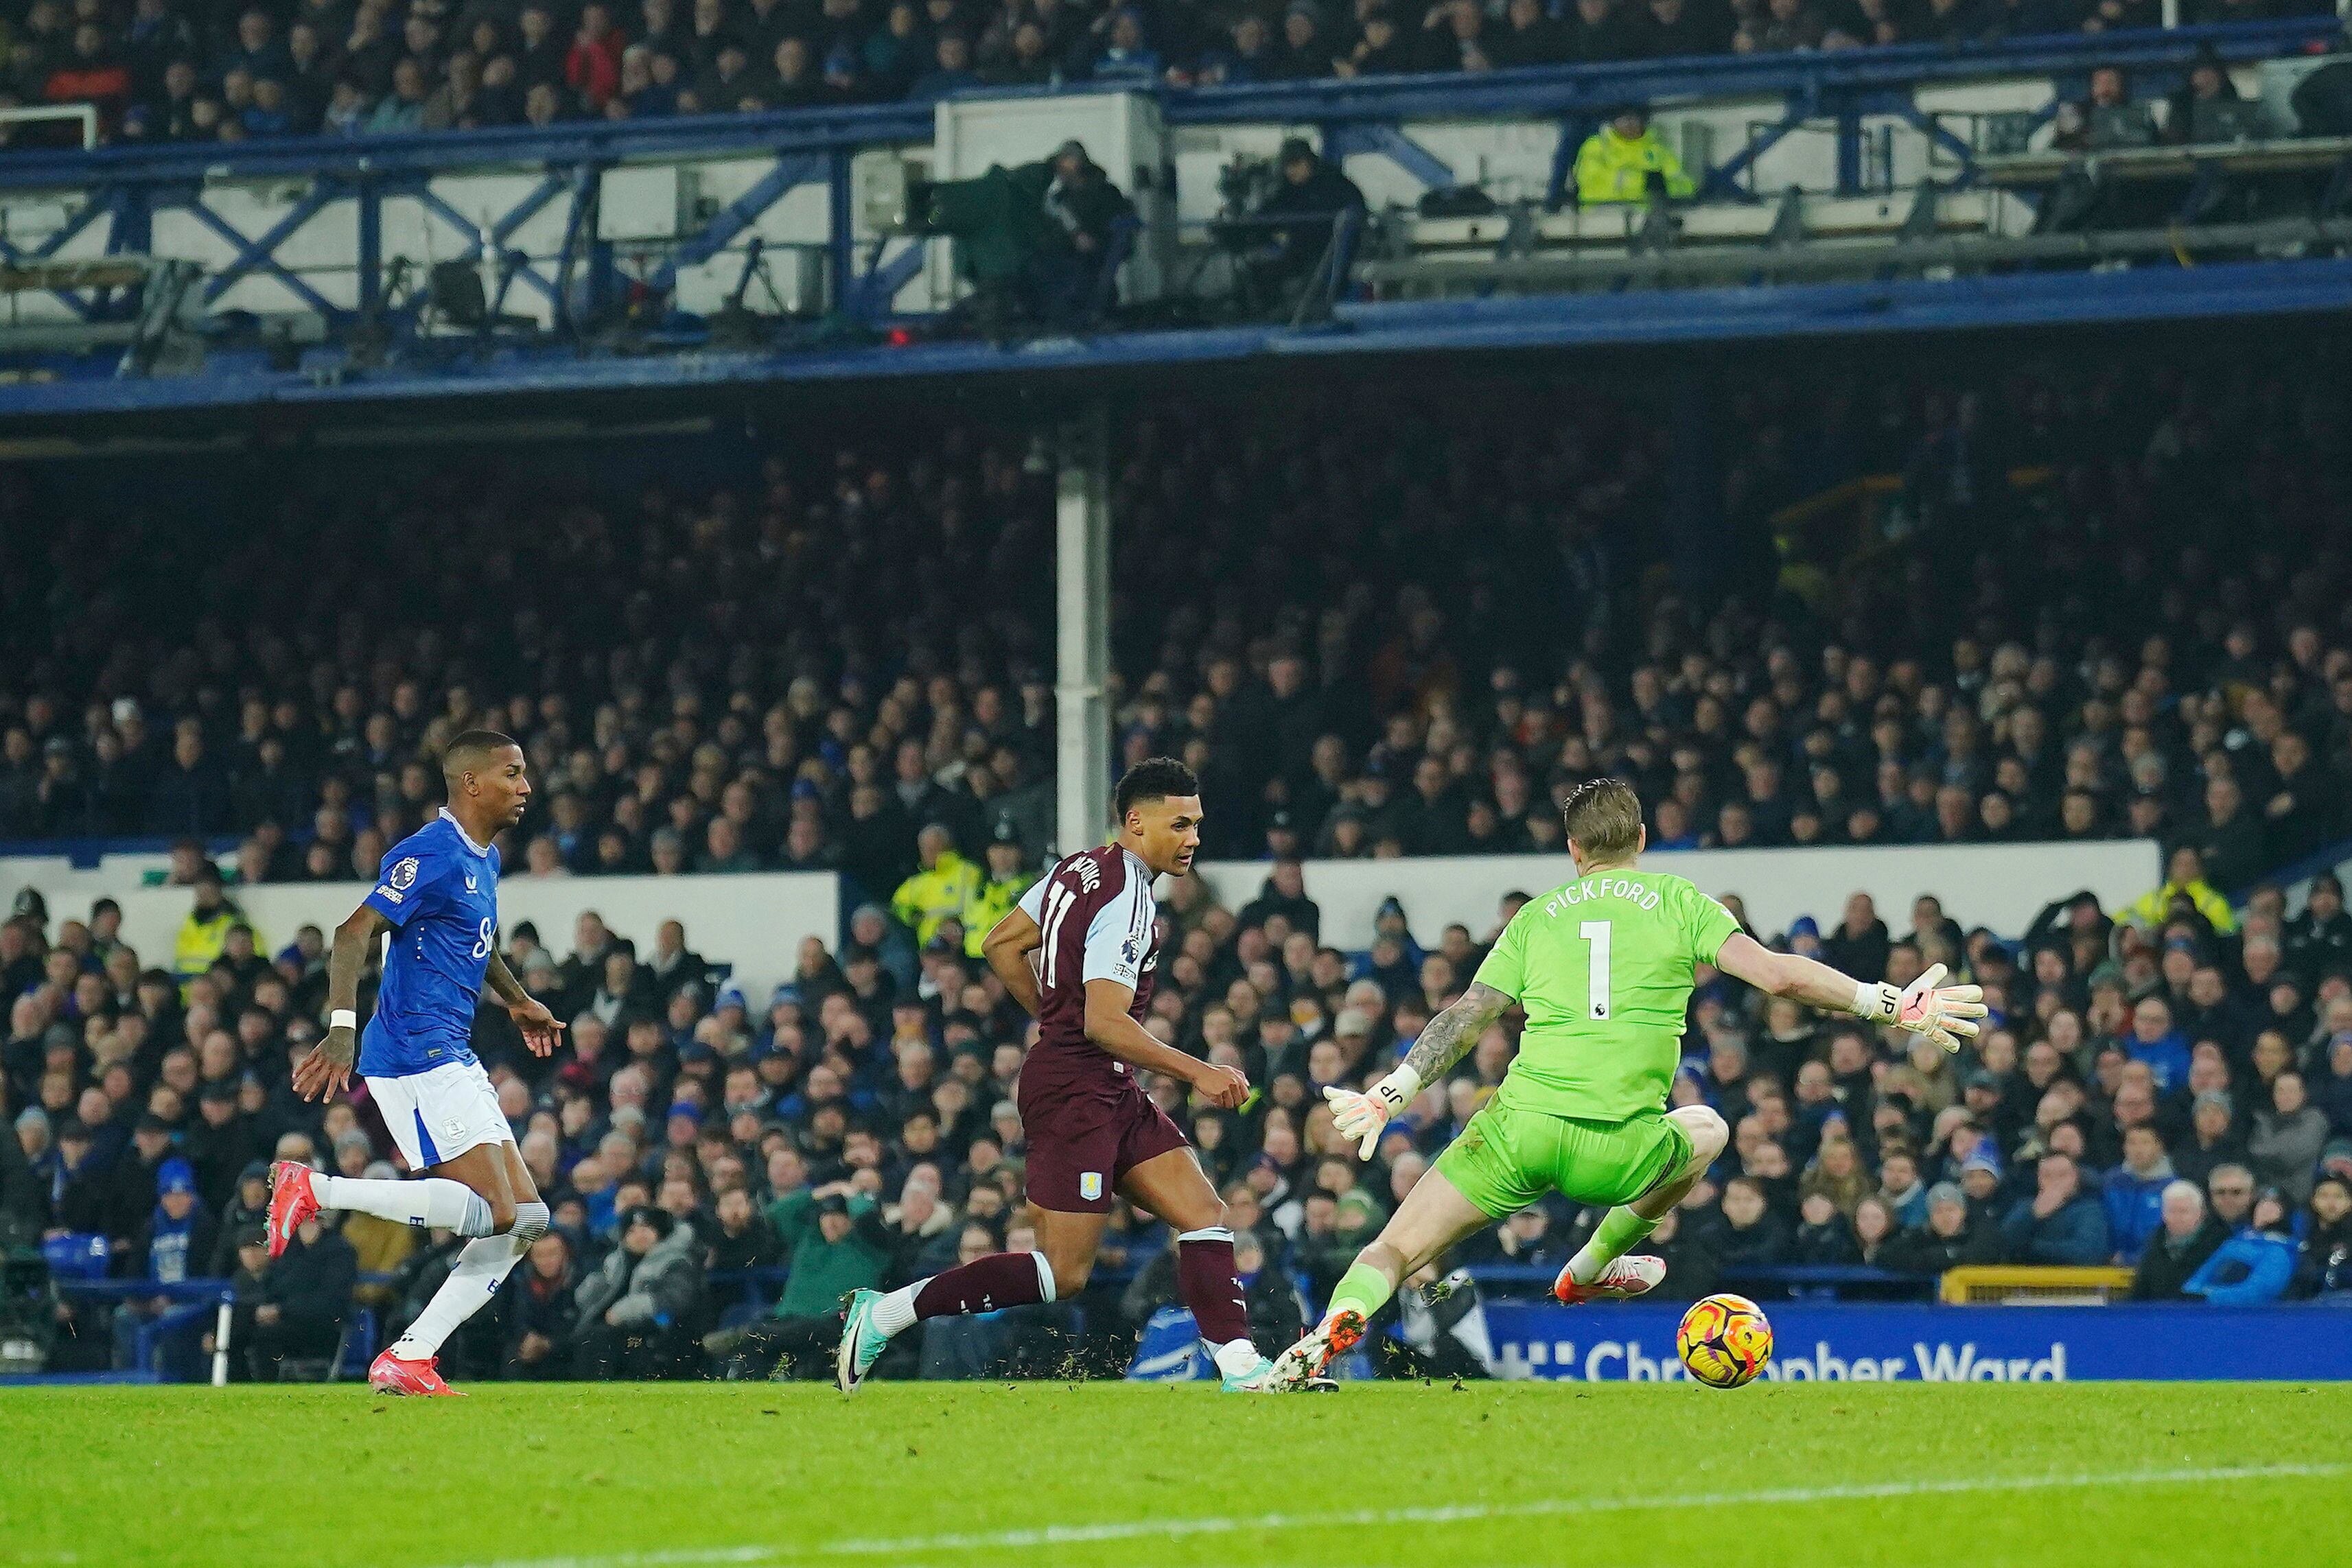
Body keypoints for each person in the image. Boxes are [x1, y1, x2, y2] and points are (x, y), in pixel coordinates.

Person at [1266, 777, 1983, 1385]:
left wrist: (1391, 1091)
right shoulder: (1678, 899)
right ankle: (1590, 1264)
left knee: (1390, 1250)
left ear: (1572, 850)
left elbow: (1468, 1014)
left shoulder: (1535, 917)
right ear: (1640, 837)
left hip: (1518, 1131)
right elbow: (1779, 975)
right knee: (1708, 1128)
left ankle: (1333, 1326)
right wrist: (1889, 1003)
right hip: (1619, 1151)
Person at [839, 758, 1277, 1392]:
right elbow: (1104, 1020)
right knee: (1063, 1272)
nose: (1193, 838)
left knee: (1204, 1212)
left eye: (1197, 824)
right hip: (1077, 1087)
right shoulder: (1127, 895)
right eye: (1179, 823)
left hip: (1099, 1079)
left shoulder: (1079, 867)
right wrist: (1198, 1071)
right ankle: (885, 1313)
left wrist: (1054, 1019)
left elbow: (999, 944)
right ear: (1136, 821)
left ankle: (1241, 1368)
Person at [268, 731, 566, 1396]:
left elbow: (476, 943)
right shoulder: (428, 853)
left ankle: (410, 1356)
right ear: (470, 783)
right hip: (413, 1052)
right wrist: (341, 1028)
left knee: (528, 1217)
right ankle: (315, 1190)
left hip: (450, 1048)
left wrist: (519, 1001)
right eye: (512, 773)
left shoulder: (481, 859)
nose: (525, 786)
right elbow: (352, 933)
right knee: (495, 1210)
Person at [1572, 104, 1695, 206]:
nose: (1629, 124)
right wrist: (1643, 182)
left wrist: (1661, 189)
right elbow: (1591, 182)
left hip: (1651, 221)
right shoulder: (1596, 146)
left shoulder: (1659, 150)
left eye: (1634, 118)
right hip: (1601, 219)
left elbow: (1684, 187)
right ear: (1612, 121)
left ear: (1643, 120)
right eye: (1622, 119)